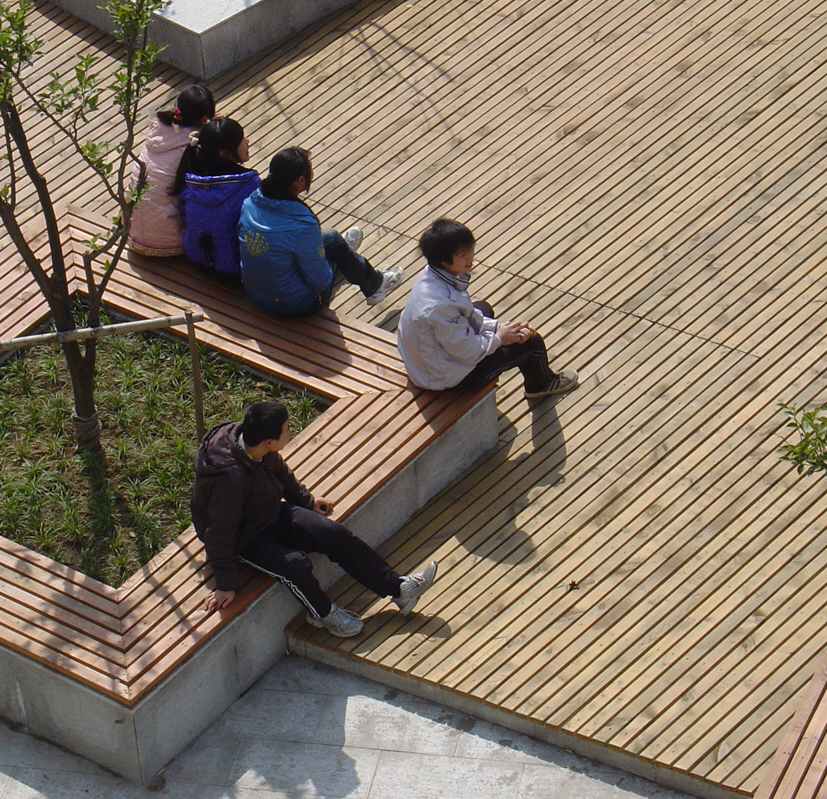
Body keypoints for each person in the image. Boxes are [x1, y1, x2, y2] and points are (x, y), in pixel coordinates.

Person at [191, 401, 438, 637]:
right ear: (269, 441)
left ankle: (398, 589)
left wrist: (307, 502)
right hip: (244, 537)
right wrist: (225, 583)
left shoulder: (256, 445)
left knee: (333, 533)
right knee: (295, 566)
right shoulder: (229, 480)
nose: (291, 430)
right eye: (287, 429)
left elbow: (280, 473)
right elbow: (219, 532)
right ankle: (323, 615)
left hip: (269, 512)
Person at [397, 218, 579, 398]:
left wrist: (501, 328)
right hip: (442, 377)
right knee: (531, 344)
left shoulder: (432, 274)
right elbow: (466, 353)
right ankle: (542, 385)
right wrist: (500, 338)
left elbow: (467, 318)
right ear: (444, 261)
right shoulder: (438, 306)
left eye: (470, 251)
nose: (471, 259)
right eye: (463, 256)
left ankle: (533, 370)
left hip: (429, 360)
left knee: (483, 308)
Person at [237, 147, 404, 315]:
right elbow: (321, 280)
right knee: (334, 246)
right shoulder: (302, 225)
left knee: (332, 238)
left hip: (255, 294)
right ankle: (373, 284)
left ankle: (347, 258)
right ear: (301, 180)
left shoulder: (250, 204)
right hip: (294, 305)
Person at [128, 85, 215, 257]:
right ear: (204, 119)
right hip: (168, 242)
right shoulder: (192, 148)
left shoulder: (157, 131)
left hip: (133, 231)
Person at [172, 117, 262, 279]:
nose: (247, 142)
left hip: (196, 260)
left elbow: (184, 215)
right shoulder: (249, 183)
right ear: (224, 153)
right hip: (233, 271)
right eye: (241, 140)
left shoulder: (191, 179)